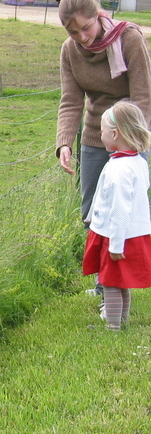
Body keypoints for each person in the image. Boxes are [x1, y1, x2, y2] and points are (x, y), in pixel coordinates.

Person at [56, 0, 151, 223]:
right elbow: (70, 101)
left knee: (129, 213)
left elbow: (143, 97)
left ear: (98, 15)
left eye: (86, 27)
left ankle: (130, 259)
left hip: (132, 137)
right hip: (96, 136)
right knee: (92, 214)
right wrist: (64, 143)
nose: (82, 37)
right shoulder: (69, 50)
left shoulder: (129, 38)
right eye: (73, 32)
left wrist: (130, 143)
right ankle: (96, 260)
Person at [82, 101, 151, 330]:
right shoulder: (136, 161)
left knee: (110, 281)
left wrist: (116, 245)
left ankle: (113, 327)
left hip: (117, 235)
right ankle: (121, 320)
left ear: (115, 133)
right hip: (131, 234)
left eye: (102, 131)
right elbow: (103, 193)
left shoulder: (120, 169)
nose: (100, 136)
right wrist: (93, 214)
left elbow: (121, 207)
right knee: (122, 282)